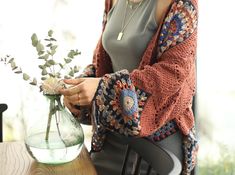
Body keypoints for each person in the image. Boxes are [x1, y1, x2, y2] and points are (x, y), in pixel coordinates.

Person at [59, 0, 199, 174]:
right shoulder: (112, 2)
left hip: (155, 148)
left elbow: (172, 74)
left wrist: (103, 89)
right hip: (111, 137)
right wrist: (79, 87)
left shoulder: (180, 4)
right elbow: (103, 64)